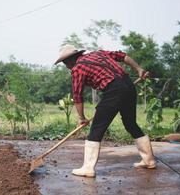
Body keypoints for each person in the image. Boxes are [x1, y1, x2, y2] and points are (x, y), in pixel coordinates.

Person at [54, 44, 156, 178]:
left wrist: (81, 118)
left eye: (64, 63)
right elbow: (122, 56)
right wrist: (139, 69)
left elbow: (77, 96)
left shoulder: (77, 68)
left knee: (97, 127)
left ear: (69, 60)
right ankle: (149, 160)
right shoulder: (98, 54)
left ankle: (88, 168)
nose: (66, 66)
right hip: (128, 86)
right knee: (130, 123)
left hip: (114, 90)